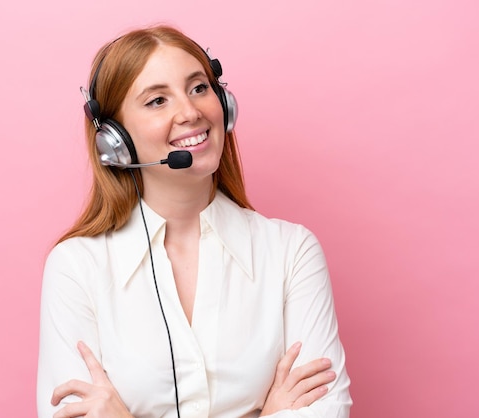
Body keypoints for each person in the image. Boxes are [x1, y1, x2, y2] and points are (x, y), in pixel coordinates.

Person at [37, 24, 352, 418]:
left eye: (199, 88)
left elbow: (326, 411)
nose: (190, 113)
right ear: (114, 139)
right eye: (156, 101)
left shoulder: (291, 252)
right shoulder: (77, 268)